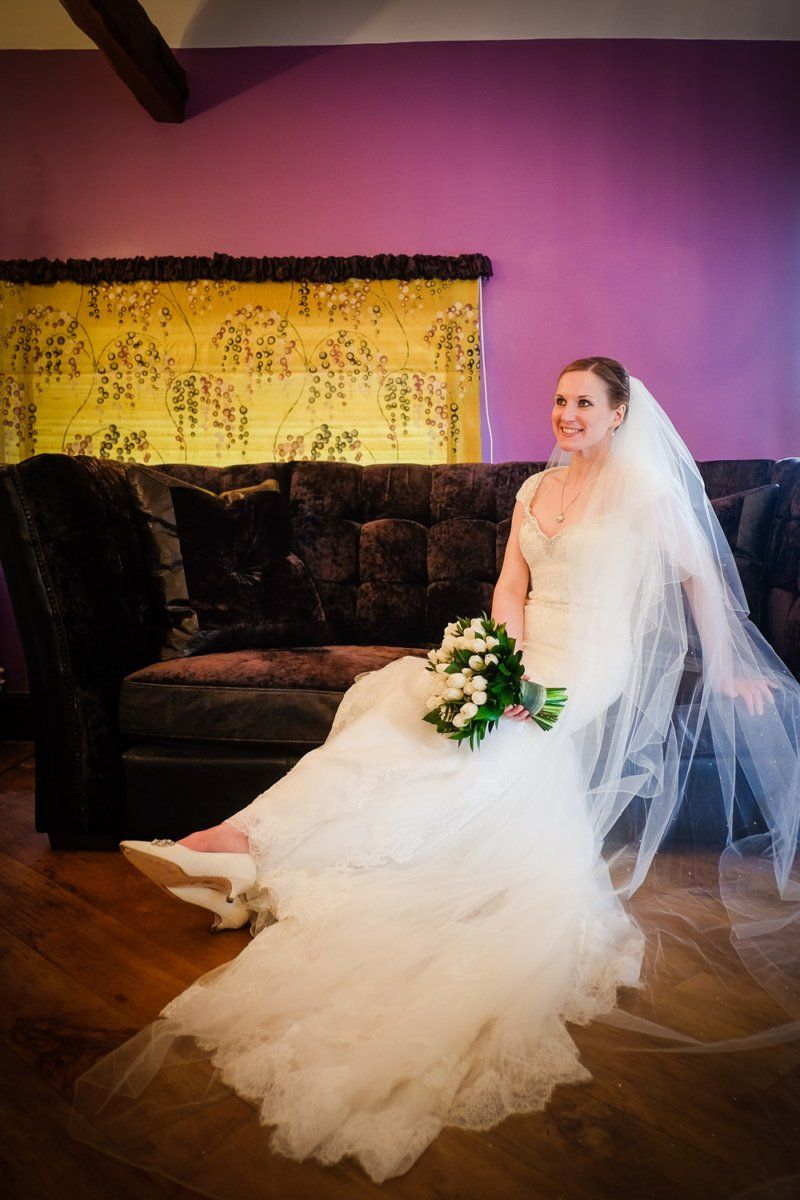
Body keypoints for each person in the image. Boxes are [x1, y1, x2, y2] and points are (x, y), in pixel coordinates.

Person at [69, 358, 800, 1193]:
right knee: (398, 722)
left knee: (486, 750)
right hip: (526, 653)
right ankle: (238, 840)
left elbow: (703, 580)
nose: (566, 414)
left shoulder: (648, 494)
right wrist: (500, 662)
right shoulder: (535, 491)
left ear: (619, 413)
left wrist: (730, 665)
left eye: (583, 403)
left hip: (591, 664)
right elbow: (511, 589)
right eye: (559, 400)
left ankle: (248, 857)